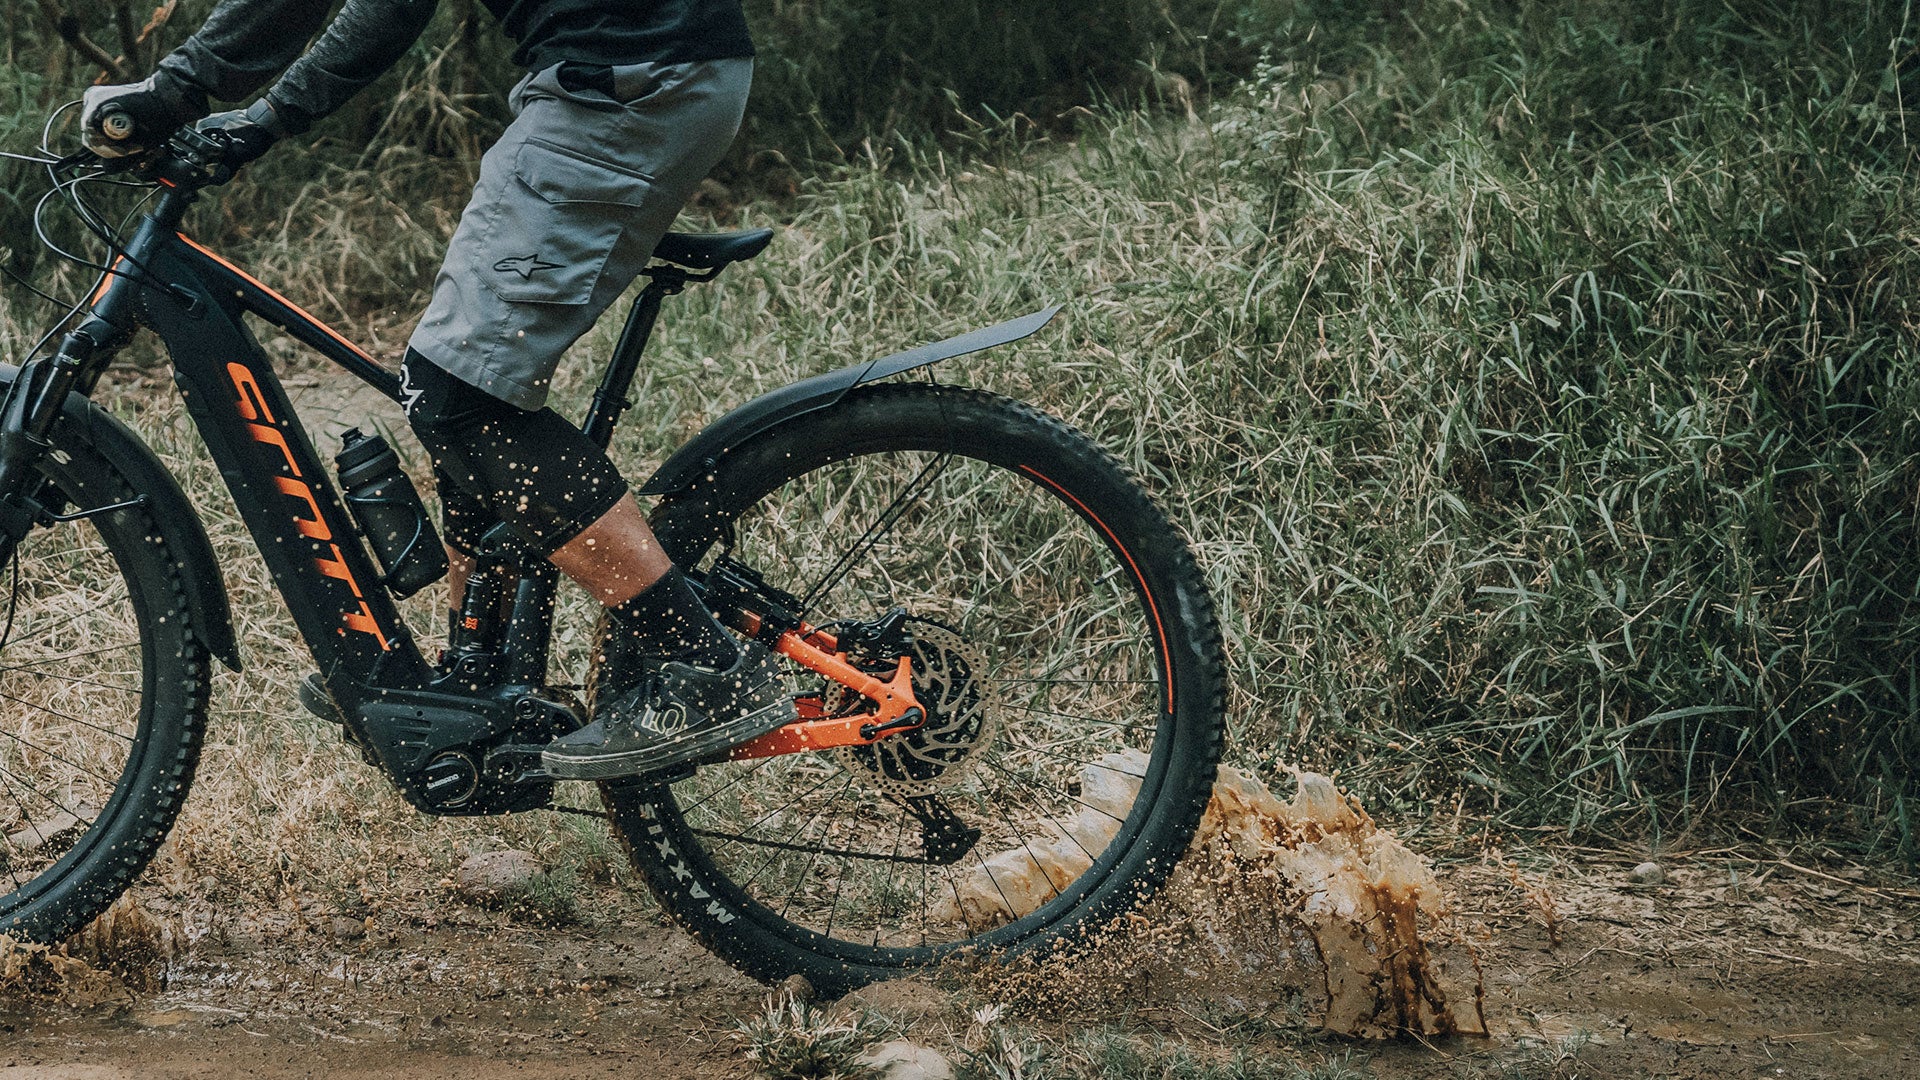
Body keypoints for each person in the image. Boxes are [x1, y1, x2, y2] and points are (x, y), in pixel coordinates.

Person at [79, 0, 795, 781]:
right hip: (628, 74)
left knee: (459, 394)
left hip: (630, 81)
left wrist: (217, 104)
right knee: (458, 373)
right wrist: (201, 97)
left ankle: (708, 667)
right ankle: (480, 678)